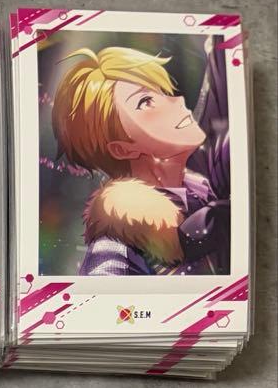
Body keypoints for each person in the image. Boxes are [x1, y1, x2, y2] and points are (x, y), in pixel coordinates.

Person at [52, 47, 215, 276]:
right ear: (122, 149)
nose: (177, 100)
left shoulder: (206, 194)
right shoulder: (113, 250)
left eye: (162, 92)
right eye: (146, 101)